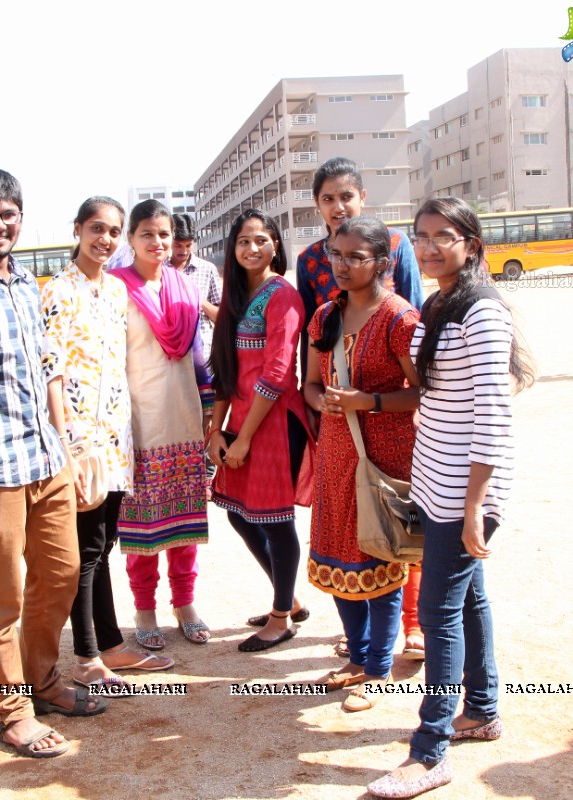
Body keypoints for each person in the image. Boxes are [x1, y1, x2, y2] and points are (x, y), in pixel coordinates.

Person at [367, 197, 533, 799]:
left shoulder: (483, 312)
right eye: (422, 236)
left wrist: (473, 510)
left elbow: (492, 415)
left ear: (472, 242)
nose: (431, 246)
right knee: (468, 602)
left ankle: (430, 750)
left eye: (445, 235)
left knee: (437, 613)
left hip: (468, 489)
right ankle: (482, 709)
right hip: (439, 480)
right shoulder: (440, 302)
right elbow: (434, 395)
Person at [0, 169, 101, 763]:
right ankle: (10, 709)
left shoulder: (29, 283)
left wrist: (70, 444)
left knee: (59, 574)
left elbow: (47, 367)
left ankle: (43, 678)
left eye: (8, 214)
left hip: (44, 456)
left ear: (21, 218)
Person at [296, 157, 427, 663]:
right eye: (337, 256)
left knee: (386, 550)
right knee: (339, 553)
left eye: (356, 256)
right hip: (336, 451)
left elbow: (423, 390)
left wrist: (367, 402)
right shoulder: (324, 315)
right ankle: (358, 655)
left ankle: (374, 664)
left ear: (382, 261)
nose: (343, 264)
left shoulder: (399, 316)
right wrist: (322, 401)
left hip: (388, 449)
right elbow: (308, 382)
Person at [42, 196, 175, 690]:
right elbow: (51, 372)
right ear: (77, 229)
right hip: (80, 443)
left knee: (102, 544)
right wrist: (68, 447)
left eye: (114, 231)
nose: (106, 239)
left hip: (117, 440)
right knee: (85, 549)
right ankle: (88, 656)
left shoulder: (117, 293)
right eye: (97, 228)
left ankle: (109, 646)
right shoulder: (57, 291)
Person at [207, 209, 313, 653]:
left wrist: (245, 436)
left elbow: (276, 373)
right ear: (233, 249)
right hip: (243, 417)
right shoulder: (235, 297)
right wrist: (218, 430)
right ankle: (288, 599)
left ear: (276, 246)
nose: (253, 248)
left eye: (262, 240)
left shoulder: (282, 296)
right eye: (244, 241)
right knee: (237, 511)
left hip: (273, 420)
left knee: (274, 520)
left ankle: (281, 618)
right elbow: (228, 372)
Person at [111, 200, 213, 650]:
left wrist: (210, 407)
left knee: (184, 519)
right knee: (142, 525)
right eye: (148, 234)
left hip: (183, 415)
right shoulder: (115, 288)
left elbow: (196, 354)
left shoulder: (183, 285)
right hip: (137, 420)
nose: (158, 242)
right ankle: (144, 609)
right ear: (130, 238)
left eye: (165, 234)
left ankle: (185, 603)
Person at [296, 157, 424, 330]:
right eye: (328, 199)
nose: (339, 207)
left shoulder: (395, 242)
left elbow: (415, 311)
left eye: (346, 197)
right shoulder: (309, 259)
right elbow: (310, 331)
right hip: (332, 356)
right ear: (316, 202)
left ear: (362, 197)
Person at [169, 213, 222, 364]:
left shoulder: (207, 269)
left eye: (188, 245)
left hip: (203, 356)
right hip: (169, 357)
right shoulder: (159, 269)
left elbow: (221, 317)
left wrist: (200, 300)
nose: (183, 251)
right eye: (178, 245)